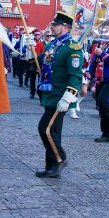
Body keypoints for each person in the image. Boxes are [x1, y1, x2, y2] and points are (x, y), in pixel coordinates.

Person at [31, 12, 83, 178]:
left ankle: (61, 159)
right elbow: (40, 62)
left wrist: (68, 97)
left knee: (44, 128)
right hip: (49, 93)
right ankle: (52, 167)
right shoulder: (53, 45)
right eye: (52, 24)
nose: (51, 27)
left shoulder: (72, 47)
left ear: (65, 27)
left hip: (61, 96)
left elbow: (75, 75)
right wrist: (28, 52)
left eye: (55, 25)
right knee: (54, 131)